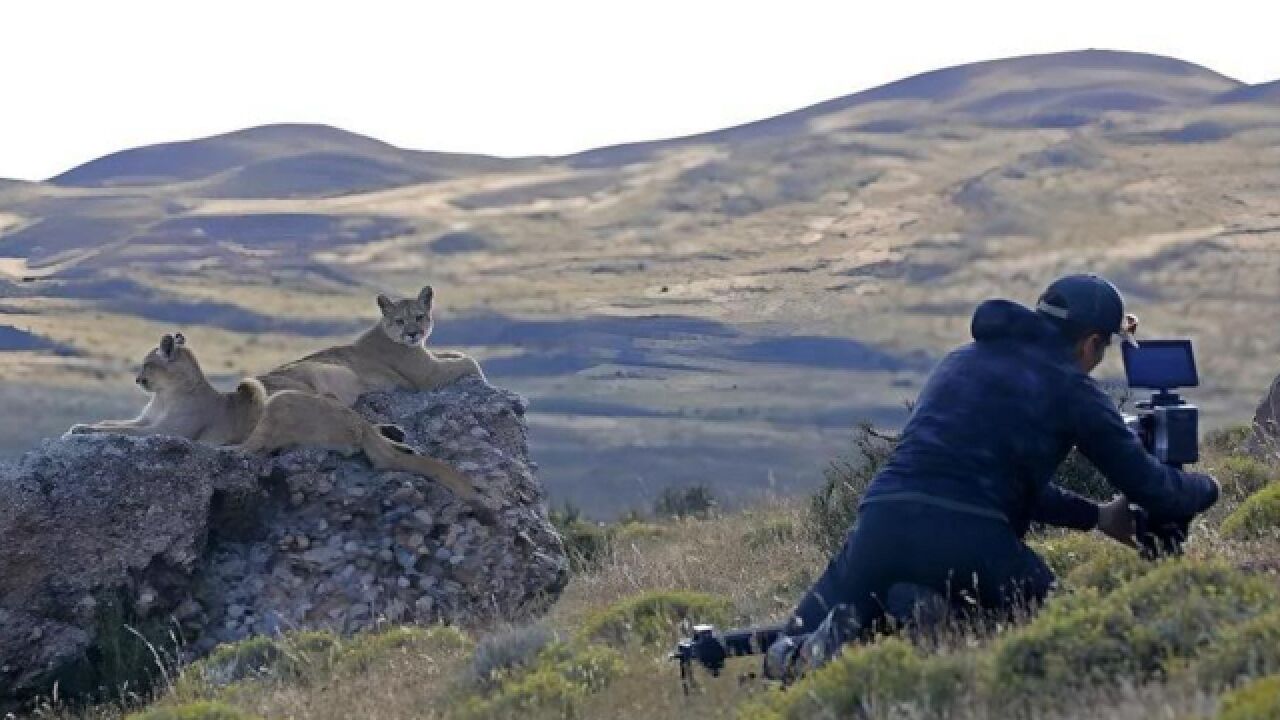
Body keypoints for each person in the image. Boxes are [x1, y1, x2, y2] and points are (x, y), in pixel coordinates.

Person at [791, 273, 1220, 636]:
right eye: (1104, 347)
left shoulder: (959, 361)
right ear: (1090, 342)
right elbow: (1153, 489)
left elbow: (998, 479)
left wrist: (1099, 517)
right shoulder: (1072, 389)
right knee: (1065, 630)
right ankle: (934, 613)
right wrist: (1209, 487)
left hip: (881, 521)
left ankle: (813, 644)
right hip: (972, 539)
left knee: (802, 628)